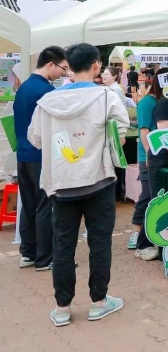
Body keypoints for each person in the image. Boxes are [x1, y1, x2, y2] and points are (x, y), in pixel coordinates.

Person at [28, 43, 129, 326]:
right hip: (99, 181)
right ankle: (99, 302)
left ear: (69, 67)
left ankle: (62, 307)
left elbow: (35, 139)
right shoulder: (107, 97)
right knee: (99, 242)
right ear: (96, 65)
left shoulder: (47, 102)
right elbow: (120, 138)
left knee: (63, 245)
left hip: (62, 184)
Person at [13, 46, 68, 271]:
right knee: (45, 206)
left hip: (23, 155)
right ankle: (45, 258)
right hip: (41, 155)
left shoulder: (24, 87)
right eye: (62, 68)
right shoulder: (47, 91)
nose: (63, 73)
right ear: (50, 64)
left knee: (29, 205)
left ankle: (28, 253)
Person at [134, 67, 168, 261]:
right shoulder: (155, 103)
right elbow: (148, 132)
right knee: (152, 199)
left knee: (156, 199)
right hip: (154, 158)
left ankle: (152, 241)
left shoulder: (164, 102)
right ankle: (142, 242)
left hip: (162, 158)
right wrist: (149, 155)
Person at [128, 67, 159, 252]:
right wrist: (149, 154)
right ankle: (136, 231)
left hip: (154, 155)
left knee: (151, 193)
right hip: (147, 156)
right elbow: (144, 130)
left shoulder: (159, 101)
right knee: (147, 194)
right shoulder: (148, 102)